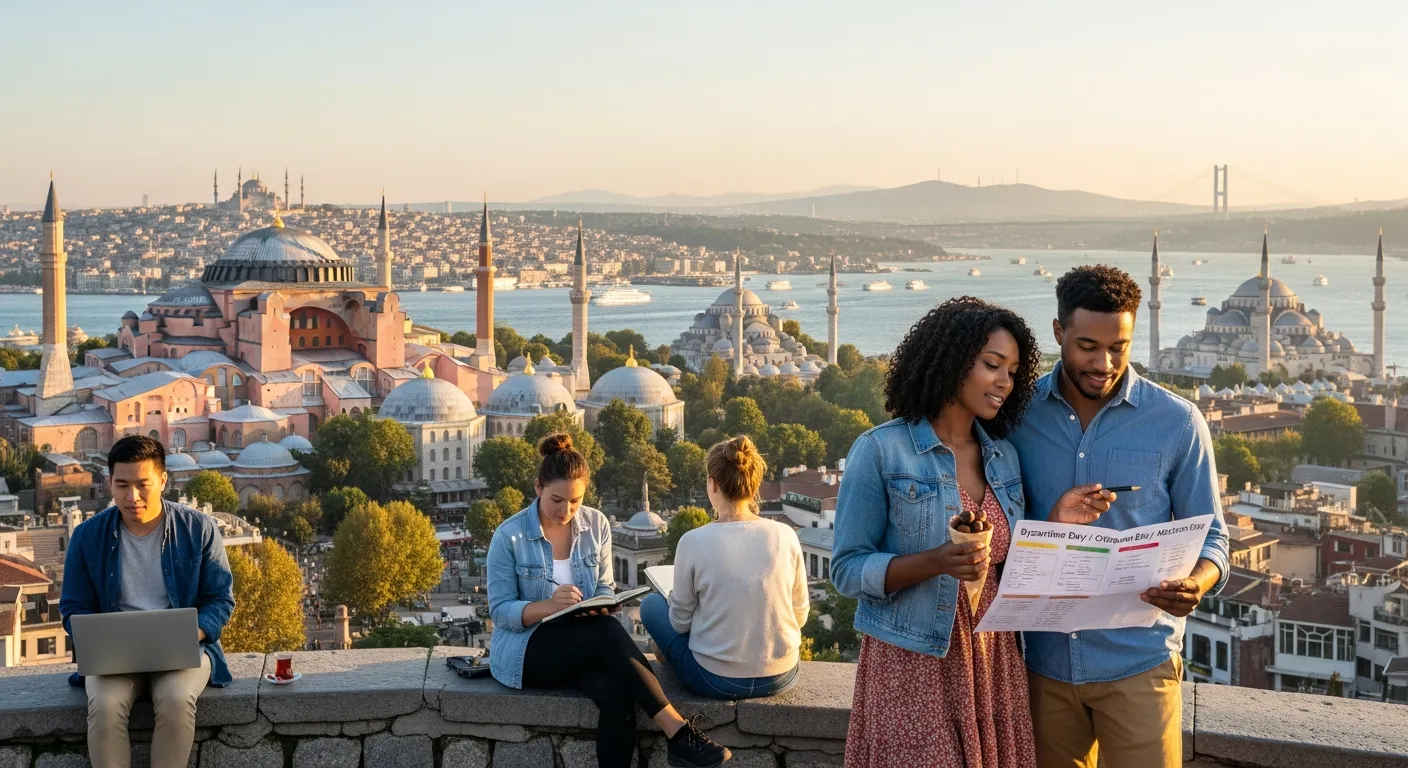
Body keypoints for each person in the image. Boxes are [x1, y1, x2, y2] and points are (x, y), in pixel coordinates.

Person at [832, 297, 1110, 768]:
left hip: (992, 662)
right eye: (992, 365)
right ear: (952, 361)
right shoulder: (881, 450)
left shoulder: (1003, 456)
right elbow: (846, 569)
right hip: (913, 663)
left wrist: (1057, 523)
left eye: (1014, 371)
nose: (1005, 381)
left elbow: (1012, 568)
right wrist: (936, 562)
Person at [1008, 265, 1230, 768]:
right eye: (1087, 345)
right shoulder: (1015, 418)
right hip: (1041, 664)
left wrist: (1197, 582)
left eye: (1119, 347)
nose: (1103, 362)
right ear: (1059, 332)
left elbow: (1213, 536)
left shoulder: (1178, 422)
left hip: (1139, 662)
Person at [486, 433, 731, 768]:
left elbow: (604, 585)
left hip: (582, 645)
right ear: (538, 488)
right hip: (526, 651)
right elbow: (500, 612)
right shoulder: (509, 535)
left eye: (575, 501)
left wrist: (604, 601)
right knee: (604, 631)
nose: (566, 510)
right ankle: (678, 732)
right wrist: (548, 606)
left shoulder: (596, 524)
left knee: (618, 696)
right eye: (557, 500)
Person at [59, 435, 235, 768]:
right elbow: (72, 608)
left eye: (143, 484)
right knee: (106, 707)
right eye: (122, 485)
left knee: (176, 699)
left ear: (163, 481)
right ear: (109, 482)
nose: (132, 496)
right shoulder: (87, 536)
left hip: (183, 652)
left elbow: (220, 600)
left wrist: (190, 634)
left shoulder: (198, 529)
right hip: (113, 657)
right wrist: (94, 635)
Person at [640, 436, 808, 700]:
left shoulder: (693, 541)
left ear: (712, 484)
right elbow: (799, 616)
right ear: (755, 485)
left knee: (650, 605)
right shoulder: (785, 535)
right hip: (782, 675)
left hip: (715, 679)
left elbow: (679, 623)